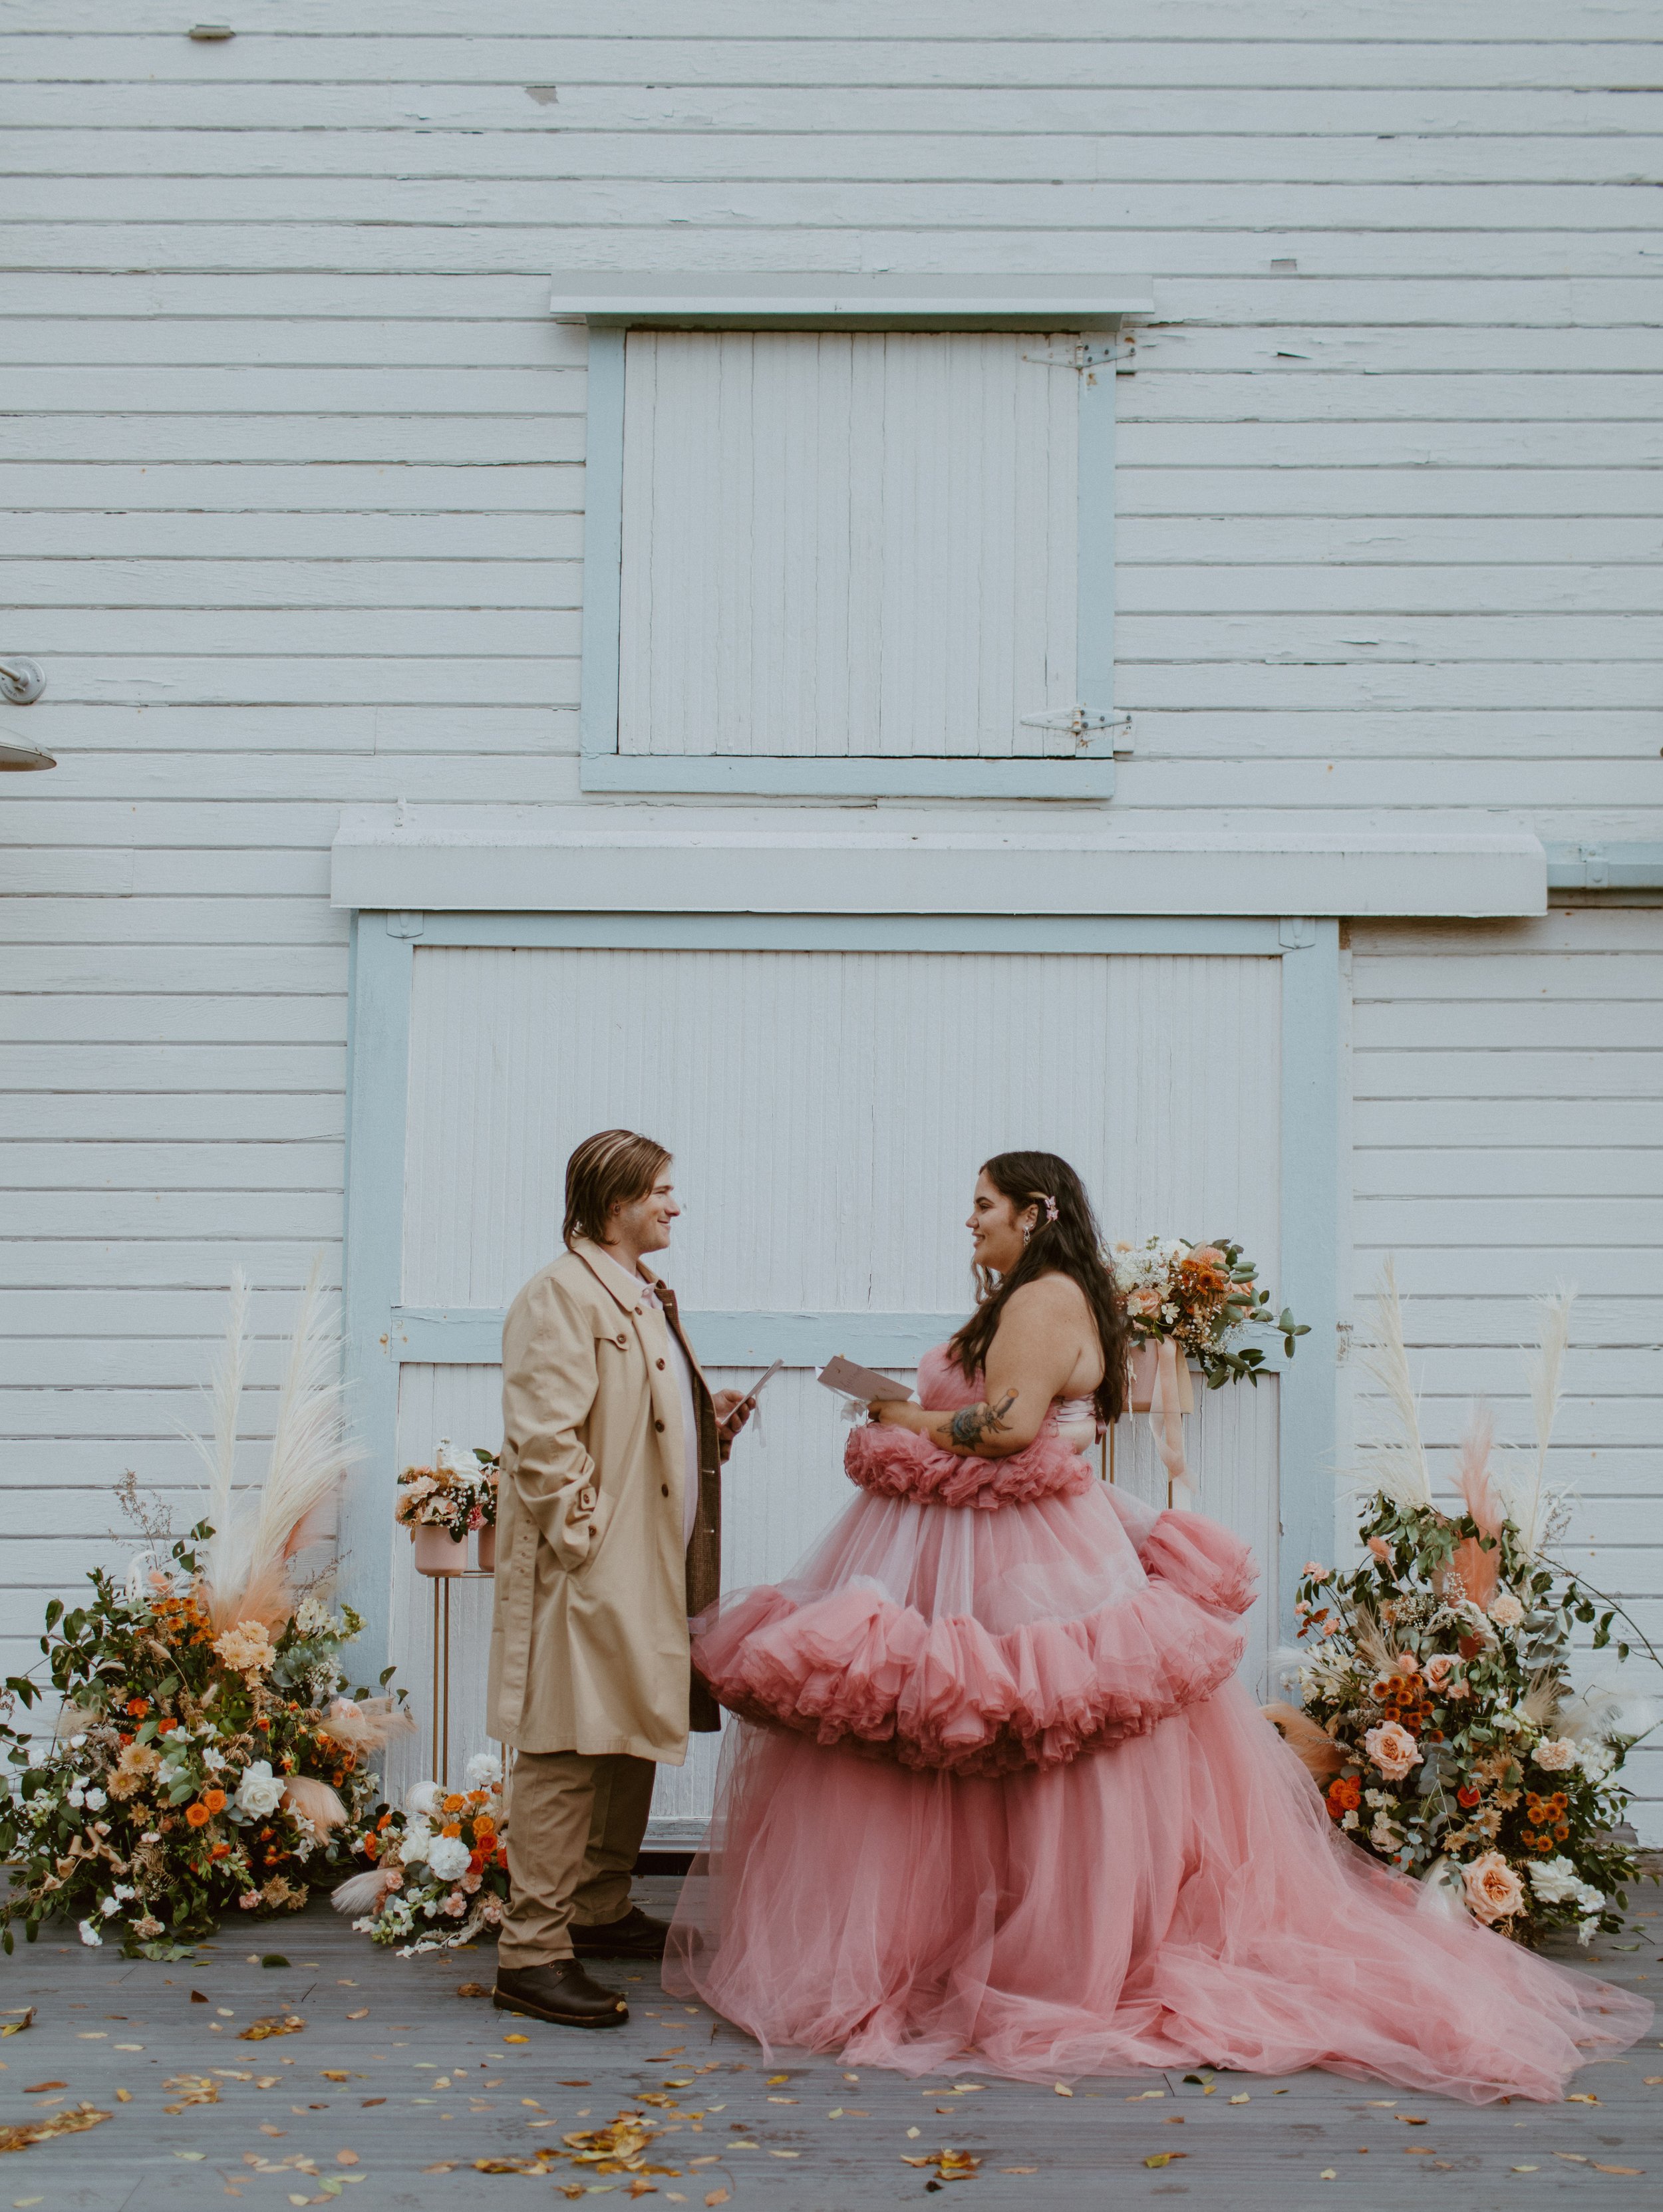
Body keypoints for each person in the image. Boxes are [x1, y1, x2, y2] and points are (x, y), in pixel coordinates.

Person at [666, 1150, 1651, 2100]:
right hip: (990, 1542)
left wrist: (896, 1416)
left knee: (1030, 1720)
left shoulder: (1045, 1299)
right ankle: (975, 1934)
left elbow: (1007, 1430)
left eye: (984, 1203)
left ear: (1034, 1211)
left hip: (1023, 1549)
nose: (970, 1219)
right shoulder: (1027, 1298)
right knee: (975, 1730)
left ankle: (1050, 1948)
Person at [488, 1129, 752, 2029]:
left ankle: (597, 1906)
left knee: (630, 1732)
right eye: (663, 1191)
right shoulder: (560, 1296)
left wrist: (705, 1421)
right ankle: (532, 1952)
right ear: (616, 1203)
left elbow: (635, 1417)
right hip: (595, 1564)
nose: (676, 1205)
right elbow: (545, 1438)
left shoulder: (638, 1295)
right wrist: (587, 1540)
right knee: (567, 1745)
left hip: (647, 1560)